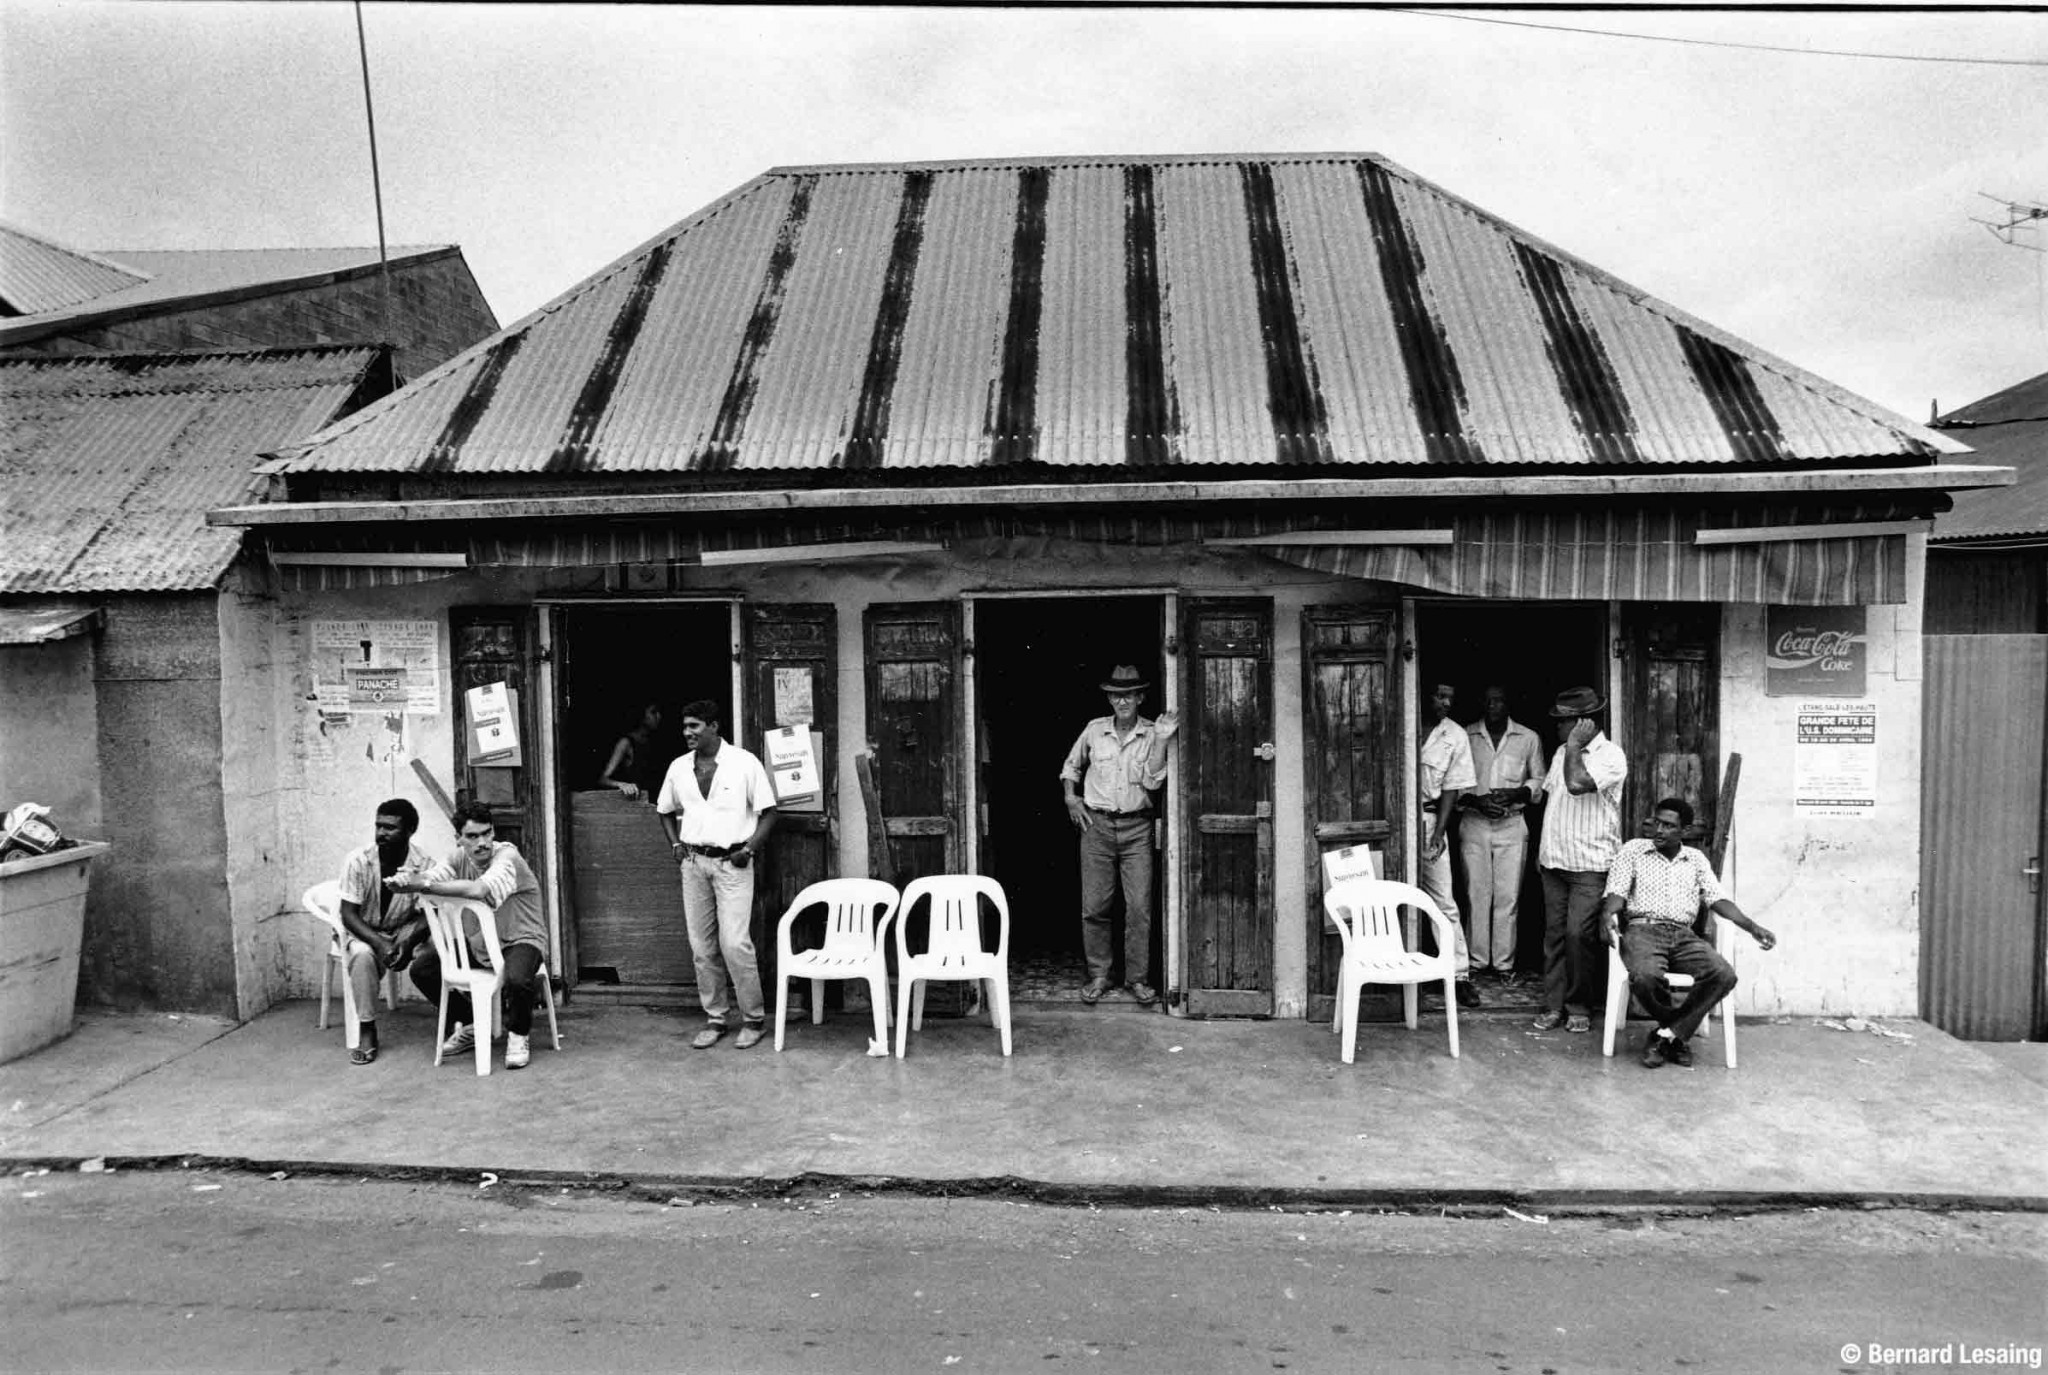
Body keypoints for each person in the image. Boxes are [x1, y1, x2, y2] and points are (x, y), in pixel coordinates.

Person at [1601, 797, 1777, 1068]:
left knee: (1723, 974)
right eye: (1657, 823)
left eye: (1669, 826)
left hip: (1683, 935)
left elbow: (1718, 899)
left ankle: (1665, 1034)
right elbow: (1617, 891)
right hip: (1643, 930)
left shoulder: (1695, 859)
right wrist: (1609, 914)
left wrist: (1753, 927)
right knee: (1645, 977)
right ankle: (1678, 1036)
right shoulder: (1633, 850)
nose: (1659, 830)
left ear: (1683, 831)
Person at [388, 801, 551, 1071]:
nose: (483, 842)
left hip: (522, 939)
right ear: (459, 839)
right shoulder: (457, 858)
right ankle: (475, 1025)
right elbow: (433, 877)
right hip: (481, 945)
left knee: (518, 980)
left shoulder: (507, 856)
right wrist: (408, 879)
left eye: (487, 833)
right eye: (473, 836)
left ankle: (518, 1036)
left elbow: (477, 890)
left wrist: (424, 883)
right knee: (423, 969)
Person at [655, 699, 778, 1050]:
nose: (687, 733)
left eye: (694, 726)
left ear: (713, 726)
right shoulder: (679, 768)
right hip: (694, 864)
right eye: (685, 727)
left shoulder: (743, 763)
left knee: (734, 942)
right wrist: (675, 846)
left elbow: (769, 813)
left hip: (733, 864)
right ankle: (716, 1018)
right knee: (701, 946)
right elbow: (664, 810)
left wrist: (749, 849)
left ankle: (753, 1019)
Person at [1060, 664, 1178, 1006]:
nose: (1122, 701)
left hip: (1137, 827)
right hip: (1096, 826)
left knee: (1139, 908)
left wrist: (1163, 739)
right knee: (1095, 906)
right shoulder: (1094, 730)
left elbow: (1154, 781)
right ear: (1109, 698)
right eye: (1116, 695)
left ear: (1140, 697)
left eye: (1129, 695)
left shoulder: (1153, 731)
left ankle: (1137, 979)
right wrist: (1071, 797)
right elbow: (1072, 765)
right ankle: (1099, 974)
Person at [1531, 685, 1628, 1034]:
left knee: (1578, 936)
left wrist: (1573, 746)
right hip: (1554, 861)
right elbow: (1552, 800)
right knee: (1554, 936)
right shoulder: (1560, 753)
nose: (1556, 728)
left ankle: (1579, 1005)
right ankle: (1554, 1006)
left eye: (1563, 722)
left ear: (1581, 723)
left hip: (1590, 864)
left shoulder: (1611, 756)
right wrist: (1541, 855)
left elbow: (1576, 784)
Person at [1456, 685, 1547, 984]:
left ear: (1509, 704)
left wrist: (1517, 792)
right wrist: (1475, 799)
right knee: (1475, 894)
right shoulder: (1465, 736)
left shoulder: (1528, 738)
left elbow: (1540, 779)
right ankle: (1477, 963)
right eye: (1488, 699)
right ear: (1480, 702)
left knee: (1508, 896)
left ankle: (1504, 965)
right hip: (1474, 822)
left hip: (1512, 822)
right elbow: (1452, 781)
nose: (1493, 705)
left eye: (1499, 700)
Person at [333, 798, 433, 1066]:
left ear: (410, 830)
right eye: (378, 826)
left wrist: (410, 942)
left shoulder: (423, 863)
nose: (381, 834)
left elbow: (429, 913)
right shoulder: (358, 861)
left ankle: (458, 1018)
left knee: (436, 944)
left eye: (390, 828)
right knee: (362, 955)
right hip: (366, 930)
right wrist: (379, 944)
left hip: (404, 928)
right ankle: (367, 1028)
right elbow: (348, 915)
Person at [1416, 682, 1479, 1008]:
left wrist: (1439, 832)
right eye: (1440, 695)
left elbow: (1452, 790)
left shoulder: (1454, 735)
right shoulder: (1405, 721)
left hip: (1428, 820)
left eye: (1450, 698)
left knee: (1443, 899)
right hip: (1395, 820)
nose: (1446, 703)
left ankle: (1458, 975)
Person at [600, 702, 663, 800]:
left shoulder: (655, 742)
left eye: (659, 712)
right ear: (642, 715)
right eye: (653, 712)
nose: (658, 716)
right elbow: (603, 779)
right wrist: (622, 785)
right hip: (633, 804)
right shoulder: (626, 742)